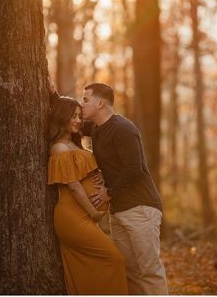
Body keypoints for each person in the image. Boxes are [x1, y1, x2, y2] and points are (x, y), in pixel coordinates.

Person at [81, 83, 168, 295]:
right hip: (119, 210)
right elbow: (67, 117)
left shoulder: (123, 129)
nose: (81, 105)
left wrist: (108, 193)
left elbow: (134, 169)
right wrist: (51, 93)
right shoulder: (96, 128)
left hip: (141, 208)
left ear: (100, 103)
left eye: (85, 100)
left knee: (148, 270)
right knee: (129, 270)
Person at [48, 96, 128, 295]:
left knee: (92, 266)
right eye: (73, 116)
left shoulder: (74, 144)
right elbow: (74, 186)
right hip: (73, 216)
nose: (78, 120)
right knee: (114, 259)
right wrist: (93, 212)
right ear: (61, 117)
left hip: (83, 215)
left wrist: (98, 176)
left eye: (79, 116)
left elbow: (84, 172)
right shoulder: (59, 147)